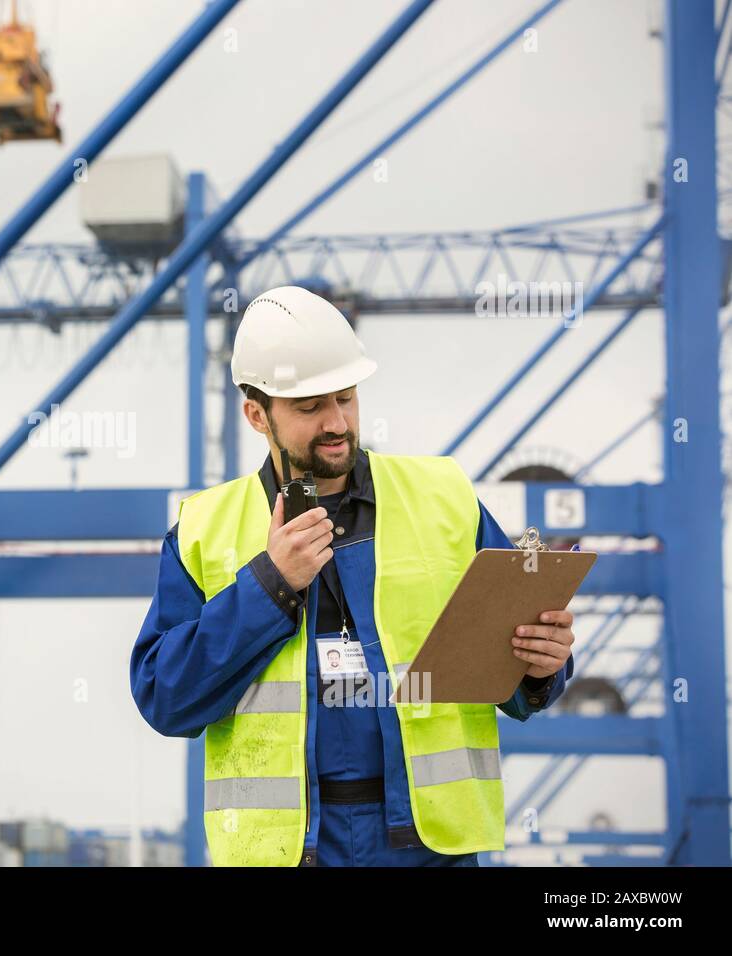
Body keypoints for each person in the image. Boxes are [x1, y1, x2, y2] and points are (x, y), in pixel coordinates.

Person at [130, 285, 575, 867]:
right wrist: (269, 585)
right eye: (311, 407)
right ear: (256, 414)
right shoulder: (203, 529)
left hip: (426, 849)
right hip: (289, 854)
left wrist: (544, 666)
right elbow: (165, 699)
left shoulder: (444, 499)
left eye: (345, 398)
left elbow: (517, 682)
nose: (337, 422)